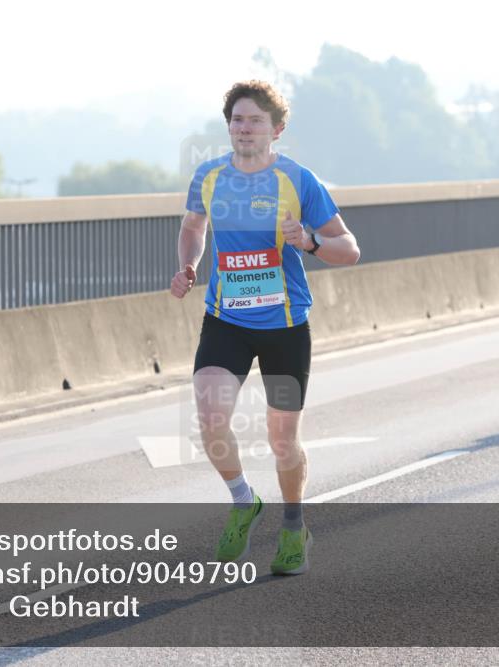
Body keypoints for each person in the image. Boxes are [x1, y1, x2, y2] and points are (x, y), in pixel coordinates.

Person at [170, 80, 360, 575]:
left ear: (276, 129)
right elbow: (194, 227)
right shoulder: (209, 177)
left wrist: (311, 241)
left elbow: (349, 248)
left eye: (255, 120)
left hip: (284, 327)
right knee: (211, 421)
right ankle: (242, 500)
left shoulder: (298, 180)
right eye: (237, 120)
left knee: (282, 441)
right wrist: (190, 265)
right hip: (225, 321)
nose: (244, 128)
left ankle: (294, 525)